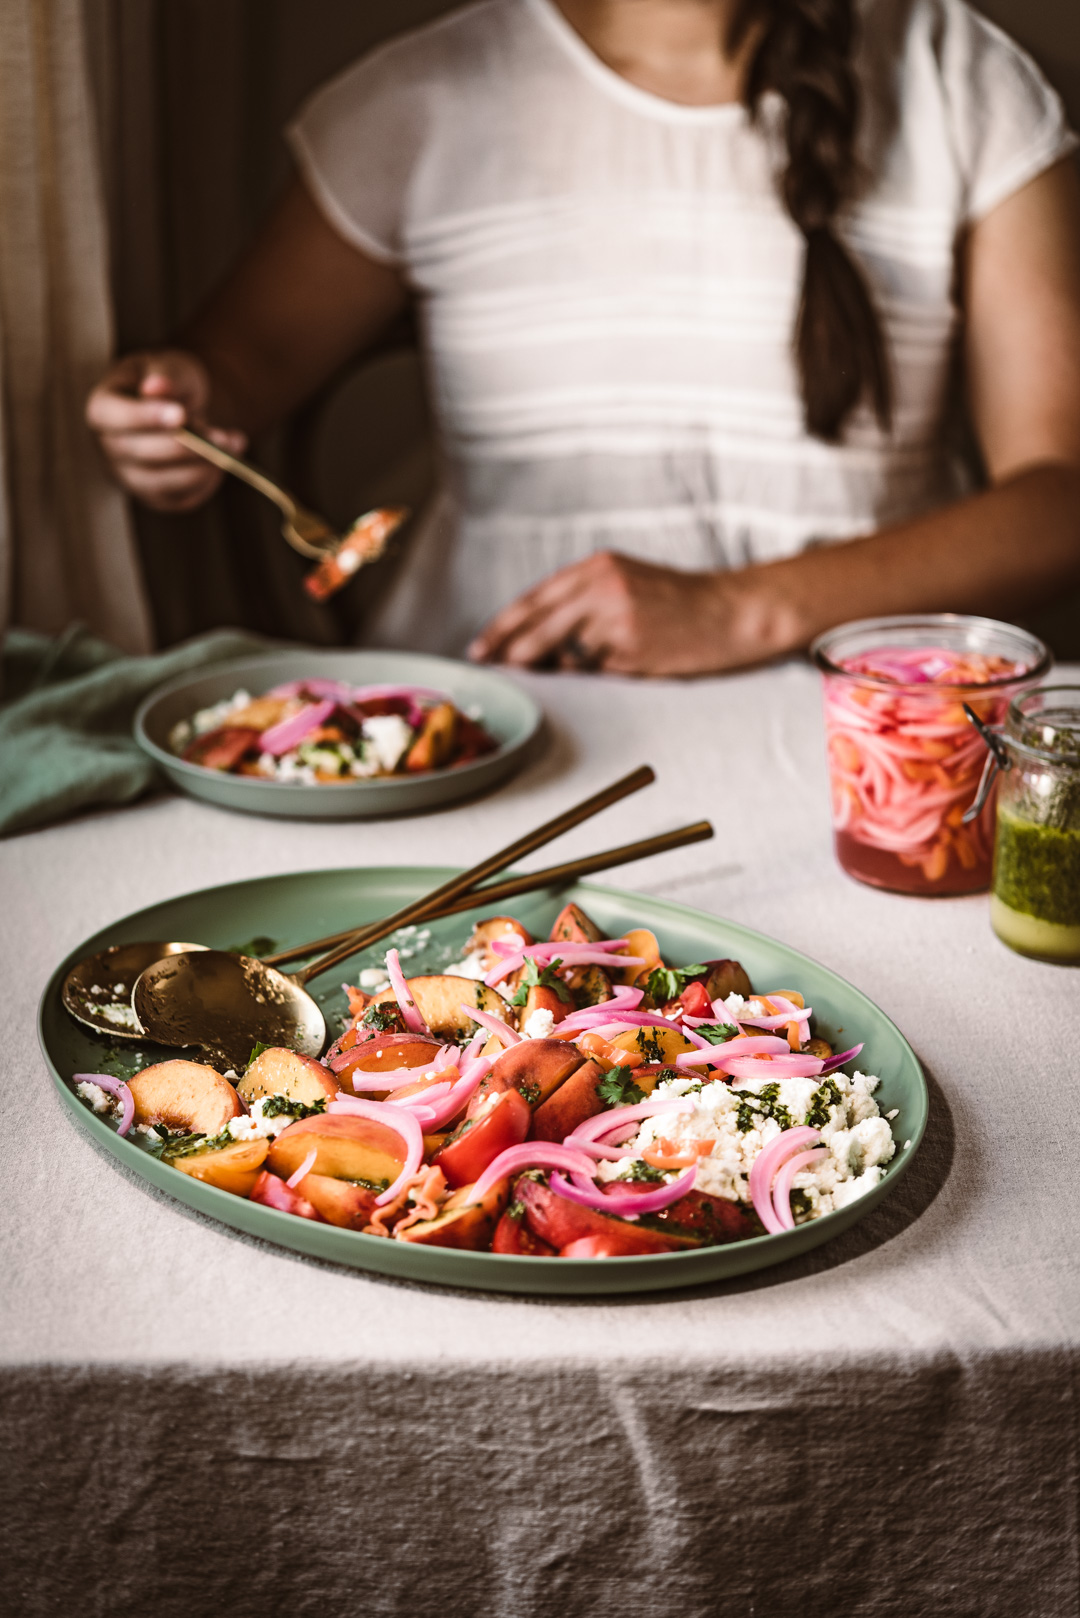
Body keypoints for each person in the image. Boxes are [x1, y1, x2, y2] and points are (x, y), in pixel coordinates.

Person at [86, 0, 1080, 675]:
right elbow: (232, 378)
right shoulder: (421, 99)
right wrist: (172, 415)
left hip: (868, 739)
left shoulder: (963, 80)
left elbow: (1059, 498)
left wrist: (741, 608)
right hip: (491, 728)